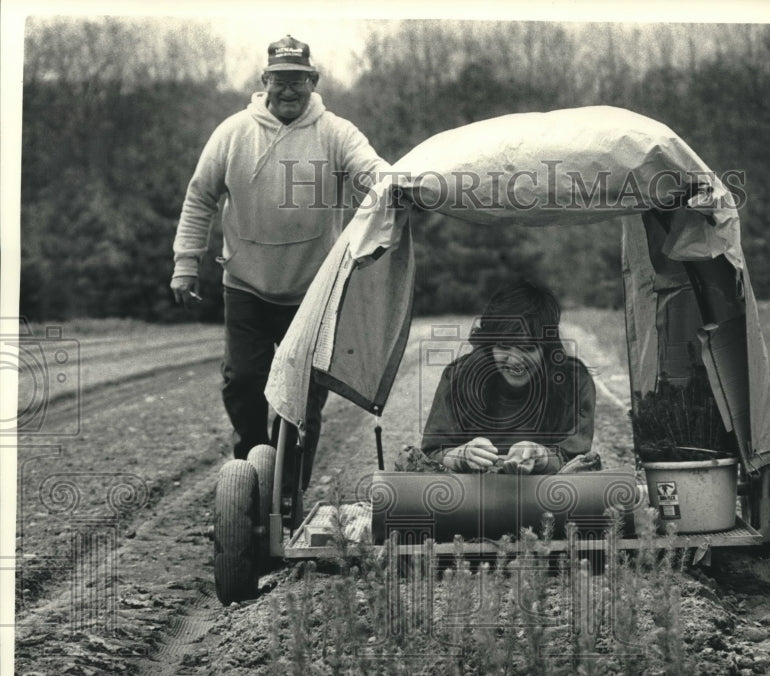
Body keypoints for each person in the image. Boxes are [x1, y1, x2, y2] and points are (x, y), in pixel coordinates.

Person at [169, 35, 389, 491]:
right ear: (264, 80)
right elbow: (200, 196)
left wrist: (396, 184)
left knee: (304, 402)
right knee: (241, 382)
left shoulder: (336, 132)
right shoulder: (232, 133)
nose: (289, 90)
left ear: (314, 81)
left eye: (299, 81)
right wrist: (186, 262)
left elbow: (372, 172)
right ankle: (250, 469)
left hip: (313, 291)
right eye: (280, 80)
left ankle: (288, 496)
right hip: (246, 284)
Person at [420, 280, 597, 475]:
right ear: (489, 345)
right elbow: (431, 452)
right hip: (472, 492)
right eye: (504, 346)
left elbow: (576, 457)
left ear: (546, 348)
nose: (514, 361)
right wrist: (460, 456)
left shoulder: (573, 380)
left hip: (545, 492)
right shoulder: (459, 375)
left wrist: (541, 456)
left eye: (528, 348)